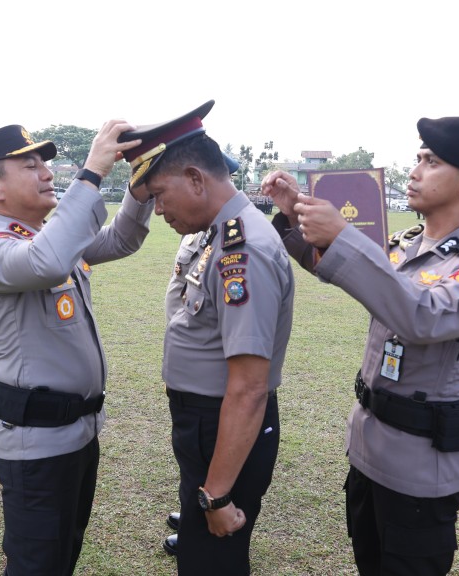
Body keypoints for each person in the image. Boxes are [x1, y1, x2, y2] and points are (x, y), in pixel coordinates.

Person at [263, 115, 459, 576]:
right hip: (370, 450)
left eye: (432, 161)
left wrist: (343, 235)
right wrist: (292, 213)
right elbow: (341, 269)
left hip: (421, 472)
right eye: (418, 157)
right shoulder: (407, 244)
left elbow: (419, 315)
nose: (415, 171)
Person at [0, 121, 152, 575]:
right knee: (37, 565)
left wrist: (139, 190)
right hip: (36, 443)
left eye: (45, 163)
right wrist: (91, 172)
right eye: (30, 165)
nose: (47, 173)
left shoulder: (47, 240)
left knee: (62, 556)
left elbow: (122, 238)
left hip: (77, 433)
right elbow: (46, 263)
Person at [119, 100, 294, 575]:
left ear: (196, 179)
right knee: (204, 551)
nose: (156, 211)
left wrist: (216, 495)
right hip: (208, 424)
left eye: (158, 194)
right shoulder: (218, 235)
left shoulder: (243, 251)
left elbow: (249, 386)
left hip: (224, 423)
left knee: (210, 563)